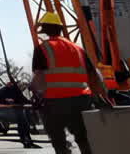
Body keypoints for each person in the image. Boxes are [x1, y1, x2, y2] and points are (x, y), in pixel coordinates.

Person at [31, 11, 110, 154]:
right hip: (82, 99)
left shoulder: (43, 48)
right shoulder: (78, 48)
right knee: (85, 138)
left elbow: (39, 78)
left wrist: (38, 95)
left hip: (55, 102)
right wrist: (103, 96)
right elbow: (94, 76)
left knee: (59, 141)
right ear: (60, 29)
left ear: (45, 30)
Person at [0, 78, 40, 149]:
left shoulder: (15, 89)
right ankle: (26, 141)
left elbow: (22, 98)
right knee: (23, 124)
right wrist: (6, 100)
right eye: (8, 83)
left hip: (19, 109)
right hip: (9, 110)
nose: (10, 84)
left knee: (24, 125)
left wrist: (32, 104)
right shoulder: (2, 91)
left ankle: (27, 141)